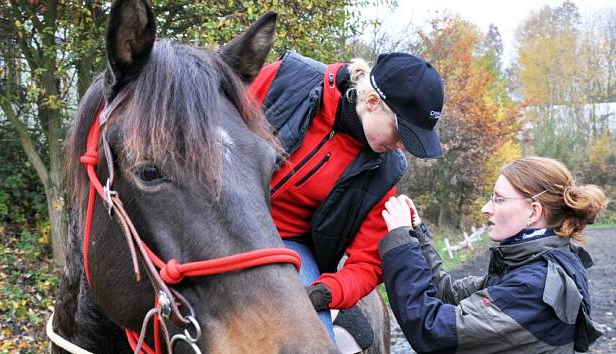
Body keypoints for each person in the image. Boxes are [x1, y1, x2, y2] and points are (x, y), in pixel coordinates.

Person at [248, 51, 444, 339]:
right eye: (401, 134)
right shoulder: (287, 79)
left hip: (287, 246)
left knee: (315, 339)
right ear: (373, 102)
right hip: (216, 212)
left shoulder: (384, 176)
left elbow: (367, 263)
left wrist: (328, 291)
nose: (401, 147)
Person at [380, 156, 609, 353]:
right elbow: (446, 294)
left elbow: (431, 330)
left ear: (533, 211)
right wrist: (417, 233)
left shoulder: (533, 287)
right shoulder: (529, 265)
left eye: (498, 199)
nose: (486, 209)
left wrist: (400, 241)